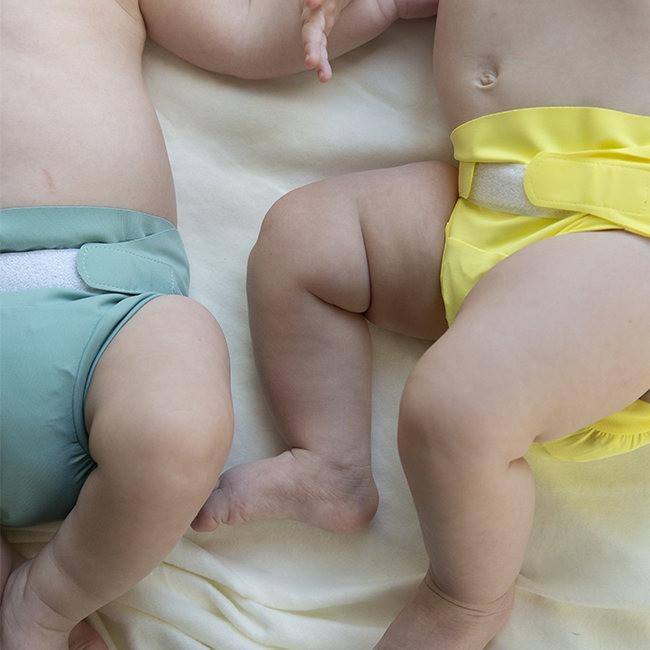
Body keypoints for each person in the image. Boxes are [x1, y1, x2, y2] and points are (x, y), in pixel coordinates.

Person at [194, 0, 650, 647]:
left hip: (625, 231)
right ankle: (330, 464)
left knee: (453, 410)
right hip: (481, 204)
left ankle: (467, 598)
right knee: (304, 239)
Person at [0, 1, 438, 649]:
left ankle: (44, 603)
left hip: (109, 313)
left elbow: (245, 35)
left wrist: (377, 7)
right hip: (99, 299)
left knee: (178, 416)